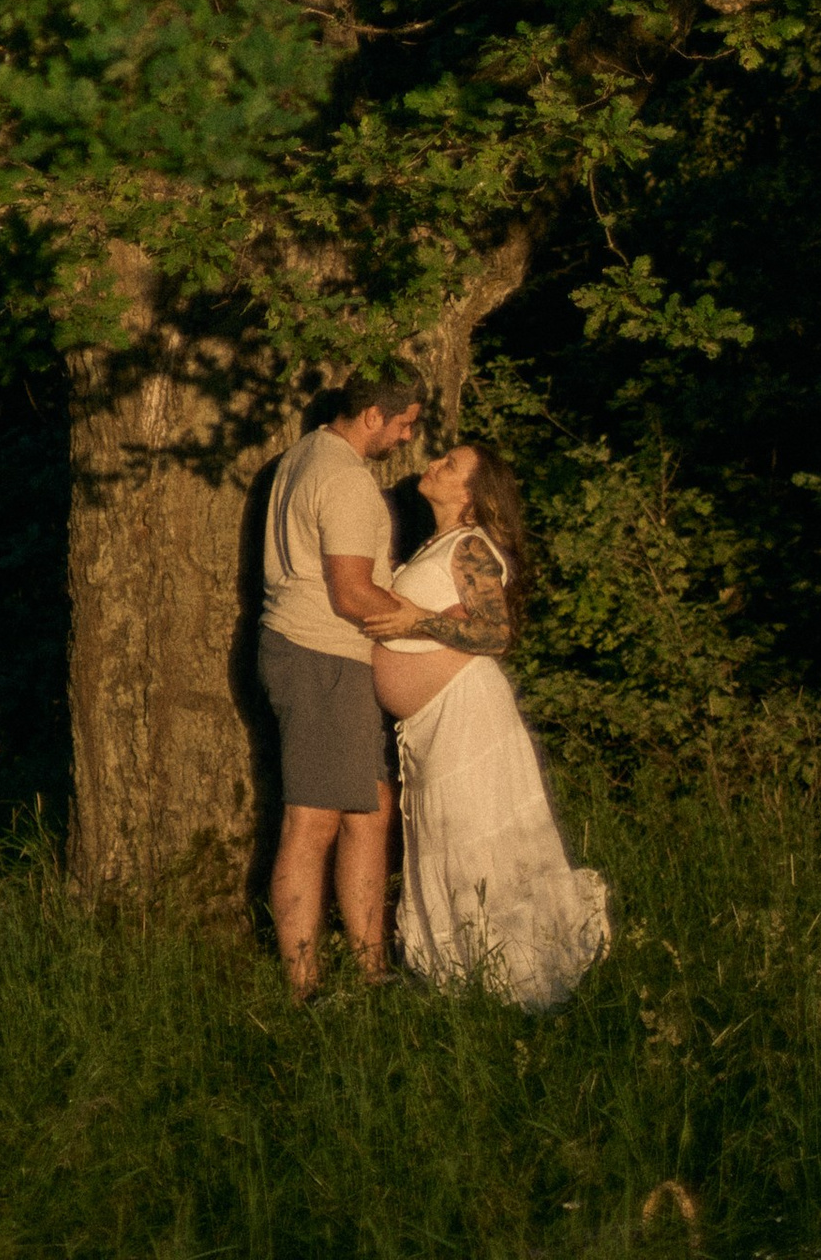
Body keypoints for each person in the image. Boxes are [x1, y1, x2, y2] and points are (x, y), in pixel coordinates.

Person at [362, 438, 609, 1011]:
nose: (433, 465)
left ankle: (514, 979)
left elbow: (496, 633)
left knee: (474, 832)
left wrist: (418, 620)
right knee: (449, 835)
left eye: (449, 465)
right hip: (436, 720)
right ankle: (463, 974)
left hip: (466, 715)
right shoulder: (439, 544)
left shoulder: (470, 545)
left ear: (472, 497)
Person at [257, 369, 425, 997]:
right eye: (404, 423)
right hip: (319, 654)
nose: (407, 437)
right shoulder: (346, 478)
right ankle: (306, 990)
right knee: (312, 821)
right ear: (374, 415)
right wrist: (431, 625)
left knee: (370, 811)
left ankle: (372, 970)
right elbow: (353, 594)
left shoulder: (304, 454)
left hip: (330, 657)